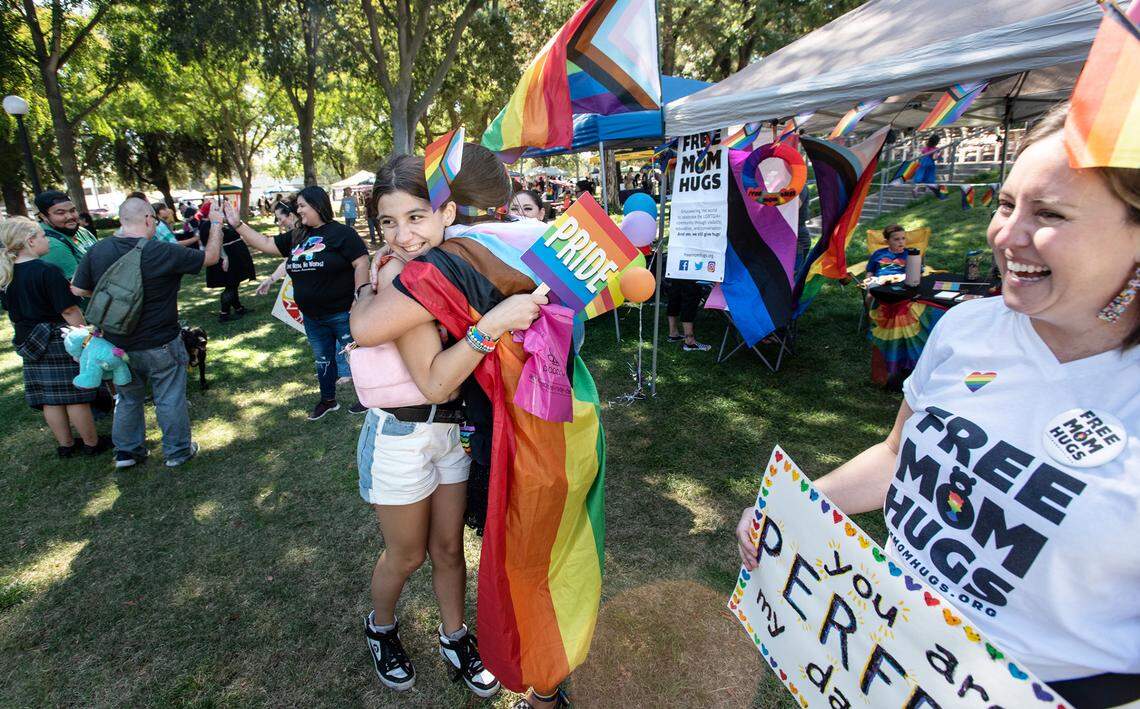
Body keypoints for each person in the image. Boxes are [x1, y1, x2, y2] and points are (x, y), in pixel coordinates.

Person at [736, 102, 1140, 708]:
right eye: (1006, 205)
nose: (1005, 234)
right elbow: (898, 453)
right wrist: (791, 512)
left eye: (1049, 213)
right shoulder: (967, 328)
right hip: (885, 664)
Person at [352, 152, 547, 698]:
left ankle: (455, 637)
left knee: (449, 550)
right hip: (402, 436)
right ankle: (382, 627)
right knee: (408, 554)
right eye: (389, 222)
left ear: (446, 213)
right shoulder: (404, 276)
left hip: (449, 433)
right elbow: (436, 382)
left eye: (416, 217)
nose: (404, 234)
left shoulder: (451, 262)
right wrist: (493, 325)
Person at [71, 198, 222, 468]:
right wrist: (219, 225)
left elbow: (78, 289)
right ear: (149, 219)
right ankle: (177, 452)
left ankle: (127, 452)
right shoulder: (162, 251)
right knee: (170, 396)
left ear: (121, 220)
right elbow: (210, 258)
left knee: (128, 397)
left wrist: (114, 298)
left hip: (116, 344)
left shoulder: (98, 250)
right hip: (160, 341)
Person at [226, 185, 369, 419]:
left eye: (302, 205)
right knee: (323, 359)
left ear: (317, 205)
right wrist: (238, 225)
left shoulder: (342, 233)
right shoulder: (298, 235)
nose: (298, 210)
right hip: (312, 317)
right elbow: (265, 243)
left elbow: (361, 263)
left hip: (343, 312)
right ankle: (328, 400)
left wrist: (360, 297)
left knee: (356, 357)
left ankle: (368, 398)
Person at [0, 216, 110, 458]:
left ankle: (66, 445)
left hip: (28, 340)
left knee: (50, 398)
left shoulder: (7, 274)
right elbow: (69, 310)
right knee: (75, 396)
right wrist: (85, 335)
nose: (45, 238)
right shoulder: (47, 270)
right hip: (58, 337)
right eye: (41, 235)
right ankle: (92, 444)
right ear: (30, 241)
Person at [195, 201, 257, 322]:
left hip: (232, 256)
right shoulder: (209, 225)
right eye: (215, 208)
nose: (219, 209)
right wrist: (225, 257)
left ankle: (238, 308)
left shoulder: (215, 222)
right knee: (231, 286)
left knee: (233, 284)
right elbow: (216, 241)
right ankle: (224, 314)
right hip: (226, 258)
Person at [34, 190, 99, 280]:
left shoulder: (81, 231)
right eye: (61, 213)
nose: (70, 216)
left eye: (72, 210)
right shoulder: (51, 244)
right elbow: (77, 287)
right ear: (44, 216)